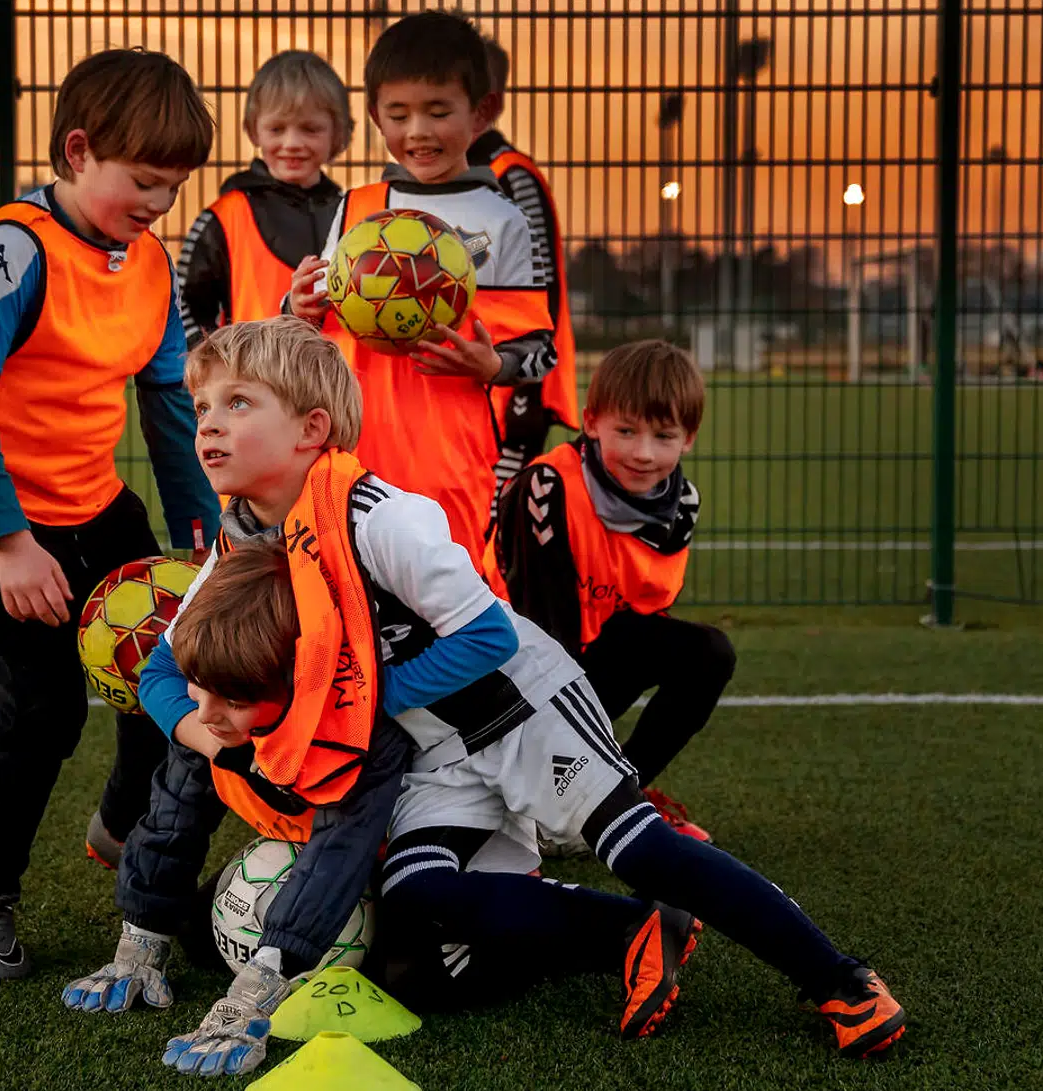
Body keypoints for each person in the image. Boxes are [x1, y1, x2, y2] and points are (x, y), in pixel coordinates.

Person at [61, 317, 907, 1071]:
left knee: (639, 846)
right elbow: (168, 672)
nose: (209, 423)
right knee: (417, 896)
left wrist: (360, 696)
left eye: (238, 404)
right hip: (428, 747)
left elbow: (488, 637)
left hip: (518, 710)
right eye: (204, 406)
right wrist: (207, 739)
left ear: (311, 430)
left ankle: (840, 981)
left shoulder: (380, 516)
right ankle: (635, 931)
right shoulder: (246, 533)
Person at [0, 47, 219, 979]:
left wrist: (200, 530)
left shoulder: (152, 261)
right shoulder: (11, 251)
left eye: (172, 187)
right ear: (78, 151)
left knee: (167, 671)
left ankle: (124, 828)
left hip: (92, 498)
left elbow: (168, 402)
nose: (159, 203)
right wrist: (9, 543)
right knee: (43, 709)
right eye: (143, 181)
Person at [288, 10, 556, 566]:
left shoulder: (502, 220)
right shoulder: (356, 209)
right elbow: (318, 326)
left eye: (438, 112)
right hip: (352, 442)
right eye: (399, 114)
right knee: (349, 588)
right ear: (376, 117)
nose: (418, 132)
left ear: (480, 113)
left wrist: (494, 365)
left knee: (446, 594)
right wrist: (300, 307)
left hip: (451, 453)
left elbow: (540, 351)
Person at [484, 341, 734, 839]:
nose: (644, 453)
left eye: (664, 436)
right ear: (591, 422)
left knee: (708, 653)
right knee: (559, 659)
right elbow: (545, 639)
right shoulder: (546, 485)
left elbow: (643, 620)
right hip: (501, 675)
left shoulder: (681, 502)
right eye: (626, 431)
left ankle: (619, 800)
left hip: (587, 656)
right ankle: (559, 808)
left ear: (689, 439)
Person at [175, 50, 351, 342]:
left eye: (310, 129)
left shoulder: (351, 213)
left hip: (338, 384)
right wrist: (215, 367)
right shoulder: (225, 217)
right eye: (277, 129)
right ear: (253, 131)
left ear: (338, 134)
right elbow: (185, 307)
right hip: (250, 384)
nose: (292, 143)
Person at [468, 35, 579, 497]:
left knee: (496, 530)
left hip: (516, 389)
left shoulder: (510, 175)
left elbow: (541, 289)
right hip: (481, 386)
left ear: (485, 105)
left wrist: (527, 384)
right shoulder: (463, 178)